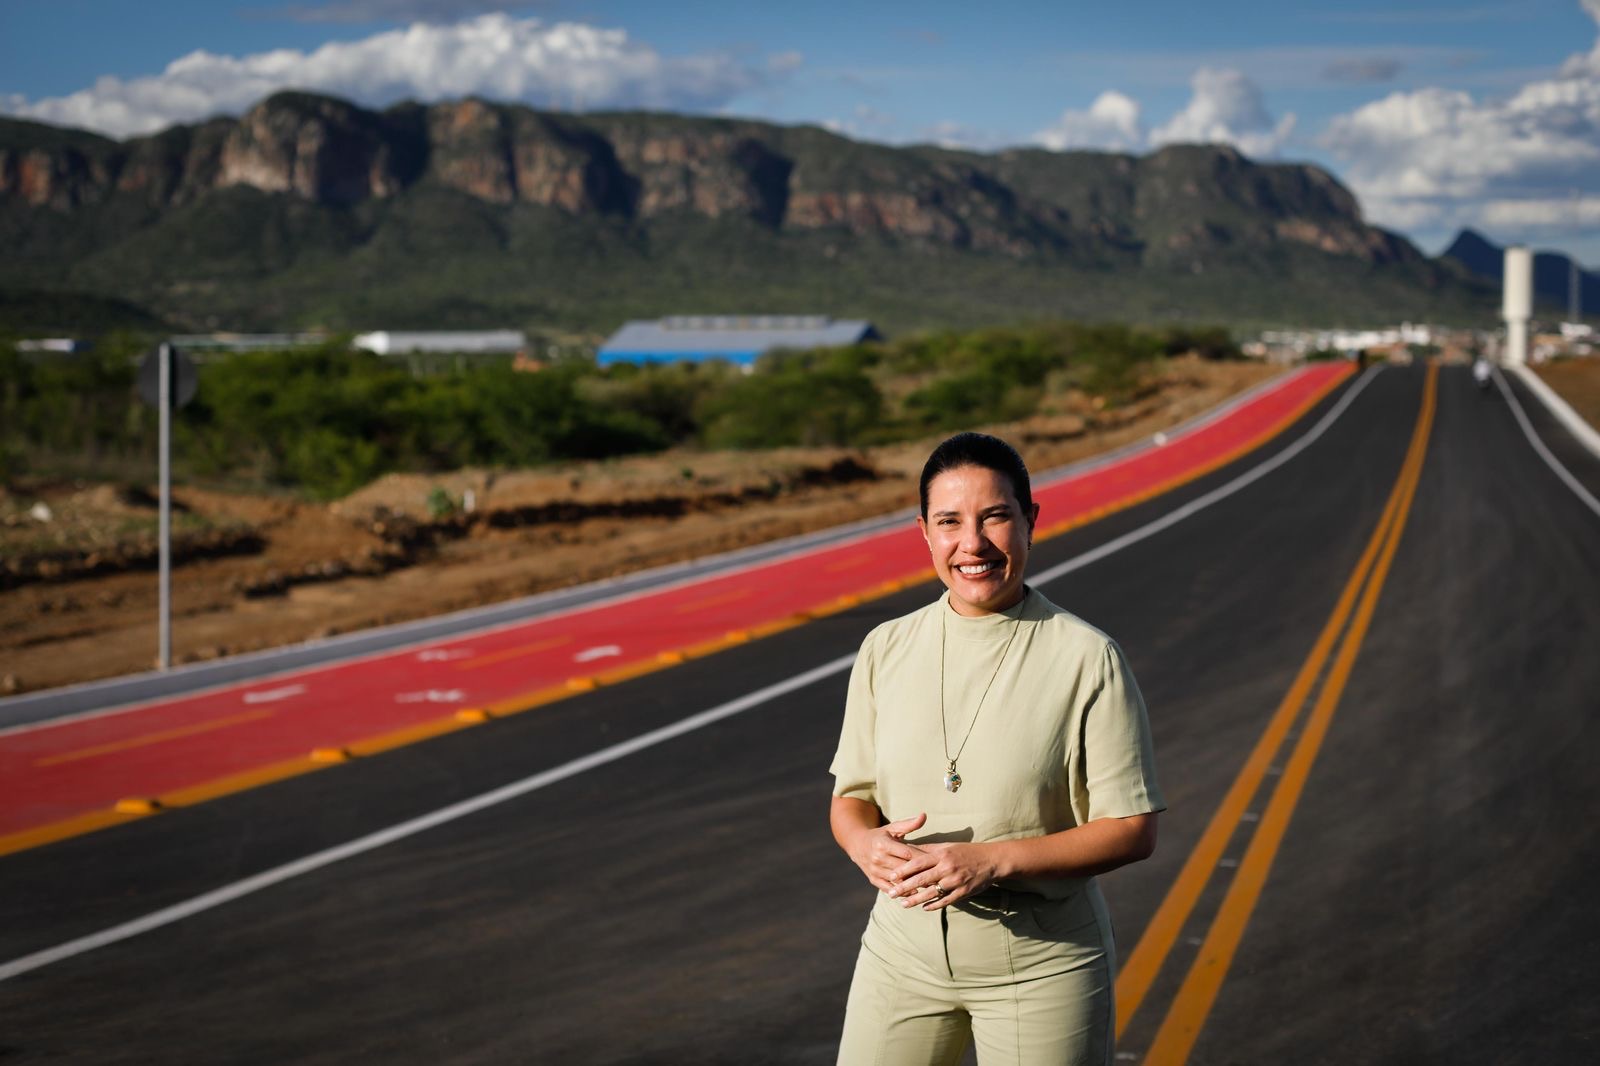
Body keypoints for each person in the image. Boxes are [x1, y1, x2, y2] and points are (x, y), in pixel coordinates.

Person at [829, 431, 1165, 1066]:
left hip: (1041, 967)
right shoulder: (885, 648)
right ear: (924, 532)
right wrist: (861, 843)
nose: (972, 544)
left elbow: (1132, 829)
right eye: (949, 522)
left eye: (995, 517)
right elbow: (851, 797)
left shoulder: (1088, 658)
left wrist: (992, 860)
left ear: (1031, 521)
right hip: (901, 954)